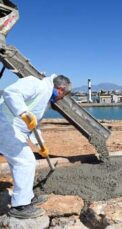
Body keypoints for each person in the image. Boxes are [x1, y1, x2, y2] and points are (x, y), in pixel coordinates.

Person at [0, 74, 71, 219]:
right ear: (61, 89)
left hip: (14, 129)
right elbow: (11, 92)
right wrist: (23, 112)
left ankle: (27, 197)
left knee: (19, 163)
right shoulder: (35, 83)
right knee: (26, 162)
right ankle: (20, 207)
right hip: (5, 125)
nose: (59, 99)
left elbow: (34, 125)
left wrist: (41, 145)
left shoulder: (44, 99)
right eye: (62, 96)